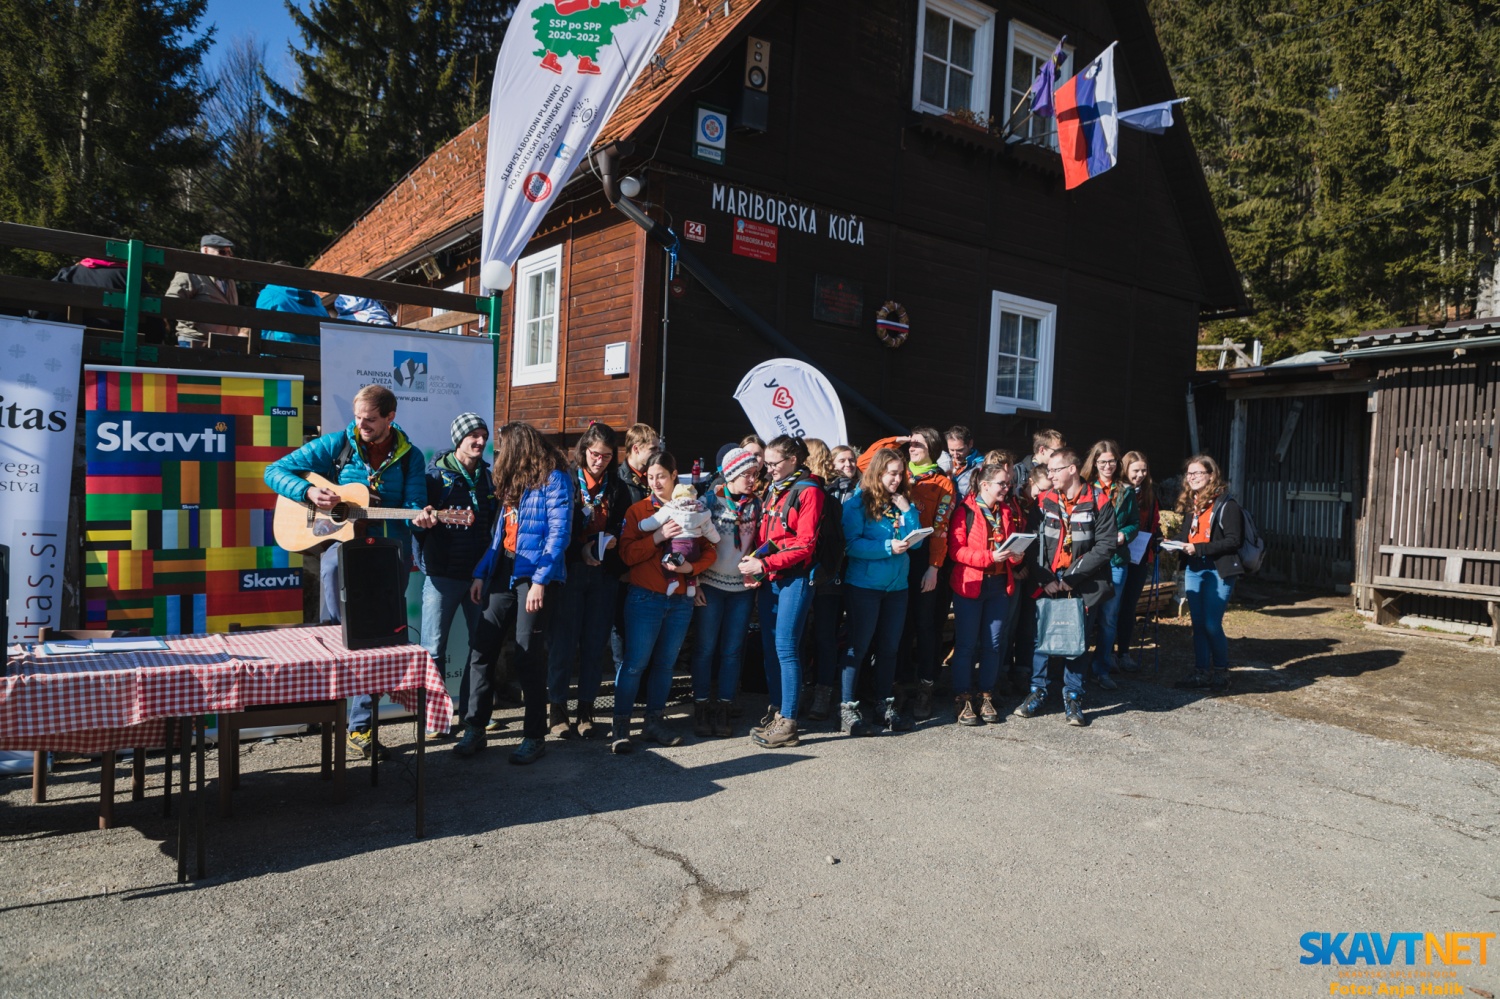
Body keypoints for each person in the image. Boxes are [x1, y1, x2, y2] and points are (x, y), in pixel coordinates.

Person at [263, 384, 436, 759]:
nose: (361, 425)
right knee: (334, 633)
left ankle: (360, 726)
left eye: (370, 419)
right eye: (357, 417)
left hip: (387, 555)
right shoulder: (338, 444)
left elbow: (413, 505)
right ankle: (326, 714)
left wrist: (419, 517)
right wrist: (308, 493)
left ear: (391, 417)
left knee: (375, 639)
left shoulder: (411, 457)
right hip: (340, 552)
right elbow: (273, 471)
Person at [456, 422, 571, 763]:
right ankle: (474, 728)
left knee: (527, 654)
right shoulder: (513, 480)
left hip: (534, 577)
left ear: (520, 447)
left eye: (503, 446)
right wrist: (480, 573)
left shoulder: (555, 478)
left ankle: (535, 736)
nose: (498, 452)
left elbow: (559, 534)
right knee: (482, 647)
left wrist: (540, 581)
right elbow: (499, 535)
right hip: (502, 570)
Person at [615, 451, 716, 753]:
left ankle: (653, 722)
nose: (655, 482)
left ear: (674, 476)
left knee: (665, 664)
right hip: (645, 597)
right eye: (650, 477)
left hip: (679, 601)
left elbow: (710, 549)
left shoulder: (694, 507)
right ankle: (620, 726)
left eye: (661, 475)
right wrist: (657, 537)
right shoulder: (639, 511)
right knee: (634, 664)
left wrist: (691, 570)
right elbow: (626, 555)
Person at [857, 427, 955, 722]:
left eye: (918, 444)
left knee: (926, 626)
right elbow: (865, 463)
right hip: (892, 553)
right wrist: (893, 441)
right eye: (910, 443)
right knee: (897, 626)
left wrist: (934, 567)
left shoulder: (943, 483)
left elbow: (941, 528)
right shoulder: (899, 473)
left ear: (934, 448)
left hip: (923, 557)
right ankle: (894, 686)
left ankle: (925, 685)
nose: (912, 447)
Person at [1014, 448, 1116, 727]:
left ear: (1072, 469)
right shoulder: (1044, 500)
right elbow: (1032, 543)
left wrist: (1071, 578)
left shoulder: (1099, 500)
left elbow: (1105, 546)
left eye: (1055, 470)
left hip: (1082, 580)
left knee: (1077, 640)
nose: (1050, 475)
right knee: (1041, 638)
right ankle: (1037, 691)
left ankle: (1073, 696)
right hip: (1048, 578)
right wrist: (1045, 578)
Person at [546, 422, 632, 739]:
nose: (599, 461)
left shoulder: (617, 487)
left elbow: (624, 532)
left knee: (595, 645)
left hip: (603, 575)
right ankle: (557, 710)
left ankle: (586, 710)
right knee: (563, 645)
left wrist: (607, 544)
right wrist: (577, 551)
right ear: (584, 450)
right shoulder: (565, 481)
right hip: (569, 572)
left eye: (607, 456)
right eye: (595, 454)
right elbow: (553, 530)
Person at [414, 413, 497, 737]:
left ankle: (474, 712)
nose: (479, 442)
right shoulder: (435, 477)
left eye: (483, 436)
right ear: (458, 440)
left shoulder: (489, 478)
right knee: (433, 648)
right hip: (442, 575)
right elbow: (415, 518)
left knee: (481, 647)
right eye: (472, 436)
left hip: (480, 577)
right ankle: (434, 717)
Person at [739, 435, 825, 749]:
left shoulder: (809, 491)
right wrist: (756, 559)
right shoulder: (777, 489)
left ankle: (789, 722)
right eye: (768, 462)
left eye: (774, 463)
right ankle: (778, 710)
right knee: (770, 645)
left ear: (793, 460)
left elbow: (804, 545)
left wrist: (764, 564)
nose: (769, 468)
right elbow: (773, 536)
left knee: (786, 648)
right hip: (772, 576)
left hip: (795, 578)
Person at [838, 447, 920, 735]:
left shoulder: (901, 503)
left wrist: (909, 511)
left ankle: (884, 705)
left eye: (901, 474)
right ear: (878, 473)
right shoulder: (857, 504)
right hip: (864, 586)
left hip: (897, 587)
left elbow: (918, 542)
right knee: (858, 647)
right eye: (892, 474)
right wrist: (887, 547)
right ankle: (848, 708)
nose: (897, 480)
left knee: (890, 648)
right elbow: (850, 546)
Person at [690, 446, 762, 737]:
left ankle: (724, 705)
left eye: (755, 474)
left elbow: (764, 542)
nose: (752, 480)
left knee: (732, 651)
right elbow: (691, 542)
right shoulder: (708, 501)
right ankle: (702, 705)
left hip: (741, 589)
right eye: (746, 474)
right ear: (730, 474)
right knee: (706, 648)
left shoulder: (756, 505)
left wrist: (759, 570)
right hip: (710, 585)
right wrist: (692, 583)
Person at [947, 463, 1025, 725]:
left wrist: (1017, 556)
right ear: (985, 485)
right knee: (967, 645)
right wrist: (990, 556)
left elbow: (1011, 547)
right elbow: (955, 552)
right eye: (1002, 483)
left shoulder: (1006, 511)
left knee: (993, 645)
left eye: (1008, 484)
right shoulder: (965, 511)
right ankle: (963, 696)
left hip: (999, 585)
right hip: (971, 585)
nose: (1007, 488)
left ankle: (986, 694)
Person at [1174, 454, 1243, 692]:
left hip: (1218, 569)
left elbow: (1234, 541)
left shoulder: (1226, 503)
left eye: (1198, 473)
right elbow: (1191, 537)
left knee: (1212, 623)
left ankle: (1222, 672)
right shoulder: (1193, 504)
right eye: (1189, 473)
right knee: (1199, 623)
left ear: (1211, 475)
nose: (1192, 477)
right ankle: (1201, 672)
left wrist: (1199, 548)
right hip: (1194, 568)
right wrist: (1171, 543)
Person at [1080, 440, 1139, 691]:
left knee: (1108, 618)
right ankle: (1077, 670)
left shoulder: (1126, 491)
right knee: (1085, 617)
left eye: (1112, 461)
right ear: (1094, 463)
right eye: (1102, 461)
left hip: (1116, 560)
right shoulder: (1085, 489)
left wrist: (1125, 534)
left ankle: (1101, 668)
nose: (1107, 466)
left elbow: (1134, 522)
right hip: (1090, 560)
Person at [806, 442, 859, 720]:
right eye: (841, 461)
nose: (848, 465)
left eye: (851, 460)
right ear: (831, 464)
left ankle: (851, 695)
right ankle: (822, 691)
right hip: (829, 574)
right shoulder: (823, 491)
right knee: (825, 634)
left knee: (854, 636)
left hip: (858, 572)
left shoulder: (865, 492)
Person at [1115, 451, 1160, 670]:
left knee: (1129, 605)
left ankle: (1123, 651)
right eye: (1135, 471)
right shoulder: (1118, 491)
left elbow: (1154, 521)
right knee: (1111, 605)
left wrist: (1158, 536)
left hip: (1139, 555)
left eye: (1144, 470)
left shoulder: (1149, 495)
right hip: (1117, 553)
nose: (1140, 475)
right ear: (1125, 470)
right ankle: (1105, 653)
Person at [165, 234, 244, 347]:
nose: (228, 256)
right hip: (195, 341)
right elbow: (171, 302)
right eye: (222, 252)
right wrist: (196, 322)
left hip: (223, 343)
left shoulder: (228, 279)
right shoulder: (190, 273)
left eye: (229, 252)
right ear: (205, 250)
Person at [256, 270, 329, 345]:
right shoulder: (311, 296)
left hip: (287, 348)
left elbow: (260, 330)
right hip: (320, 348)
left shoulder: (269, 292)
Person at [938, 425, 984, 497]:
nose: (955, 455)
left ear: (970, 444)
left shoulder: (982, 466)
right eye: (951, 450)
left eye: (960, 450)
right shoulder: (945, 462)